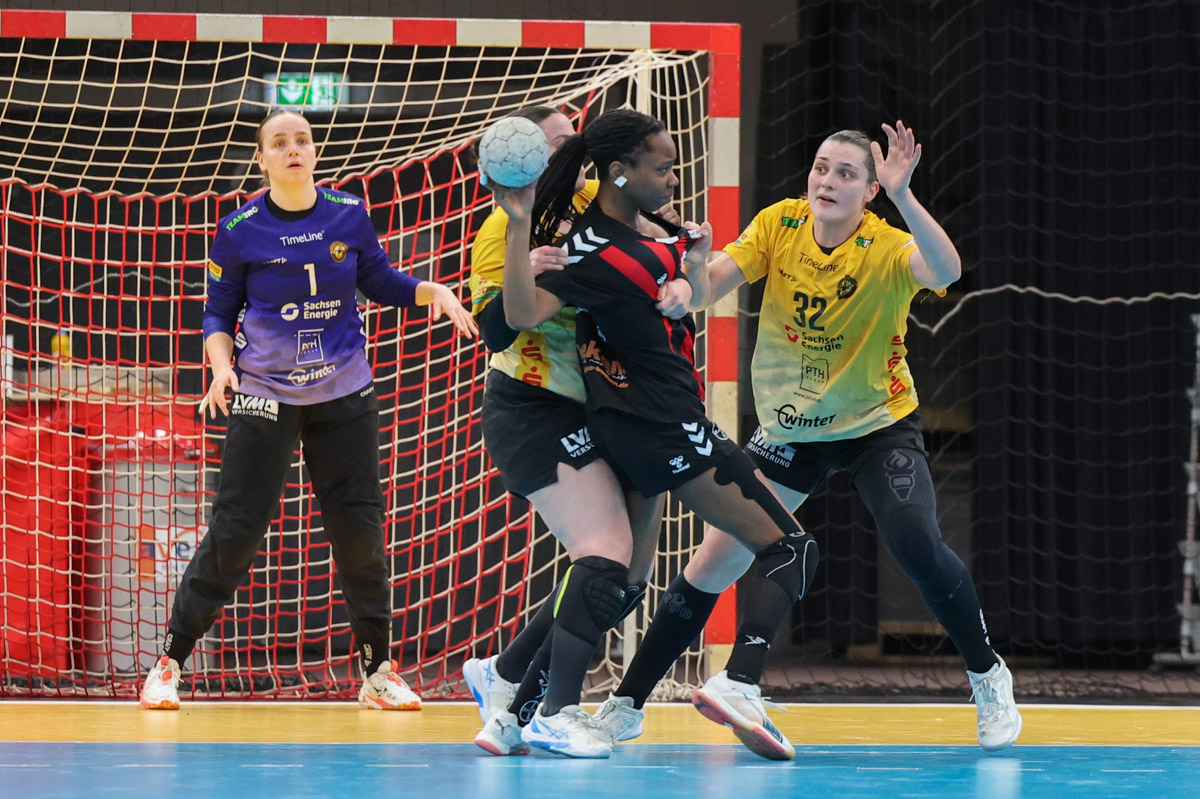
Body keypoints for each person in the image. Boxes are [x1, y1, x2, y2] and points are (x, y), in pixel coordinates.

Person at [591, 122, 1022, 758]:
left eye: (846, 173)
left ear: (870, 191)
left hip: (876, 424)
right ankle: (627, 705)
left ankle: (987, 676)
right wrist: (689, 276)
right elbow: (709, 287)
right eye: (821, 167)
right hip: (792, 429)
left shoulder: (886, 244)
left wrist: (905, 194)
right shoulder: (780, 224)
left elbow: (946, 269)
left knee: (915, 541)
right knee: (717, 560)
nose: (827, 180)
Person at [495, 108, 821, 758]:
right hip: (665, 426)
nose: (674, 178)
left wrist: (691, 266)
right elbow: (520, 313)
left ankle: (516, 712)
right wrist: (519, 223)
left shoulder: (651, 232)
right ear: (619, 171)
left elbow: (685, 290)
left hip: (635, 426)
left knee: (621, 582)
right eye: (663, 168)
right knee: (793, 550)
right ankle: (736, 684)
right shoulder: (592, 250)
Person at [138, 109, 478, 712]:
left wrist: (435, 291)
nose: (292, 149)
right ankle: (170, 662)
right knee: (236, 533)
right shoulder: (239, 228)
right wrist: (221, 368)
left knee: (360, 535)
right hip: (264, 395)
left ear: (314, 151)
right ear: (262, 158)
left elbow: (381, 282)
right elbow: (218, 313)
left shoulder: (349, 213)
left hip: (344, 394)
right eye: (279, 142)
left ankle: (377, 674)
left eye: (302, 140)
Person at [463, 106, 691, 758]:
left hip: (612, 404)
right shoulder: (504, 226)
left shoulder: (603, 199)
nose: (573, 154)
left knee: (626, 576)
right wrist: (524, 258)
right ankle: (553, 710)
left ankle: (507, 676)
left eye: (576, 142)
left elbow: (658, 250)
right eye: (556, 145)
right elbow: (497, 331)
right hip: (535, 405)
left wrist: (683, 275)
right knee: (605, 549)